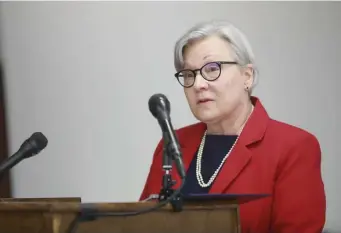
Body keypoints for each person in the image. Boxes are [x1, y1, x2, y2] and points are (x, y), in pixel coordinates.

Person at [140, 20, 326, 233]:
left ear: (247, 76)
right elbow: (142, 223)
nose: (199, 84)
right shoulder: (173, 144)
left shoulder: (293, 147)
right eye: (189, 75)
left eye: (212, 69)